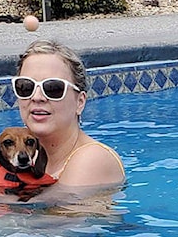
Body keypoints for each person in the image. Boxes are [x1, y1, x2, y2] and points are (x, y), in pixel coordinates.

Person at [9, 39, 125, 191]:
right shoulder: (27, 159)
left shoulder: (93, 158)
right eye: (26, 87)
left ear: (80, 102)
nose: (37, 97)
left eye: (53, 88)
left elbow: (59, 215)